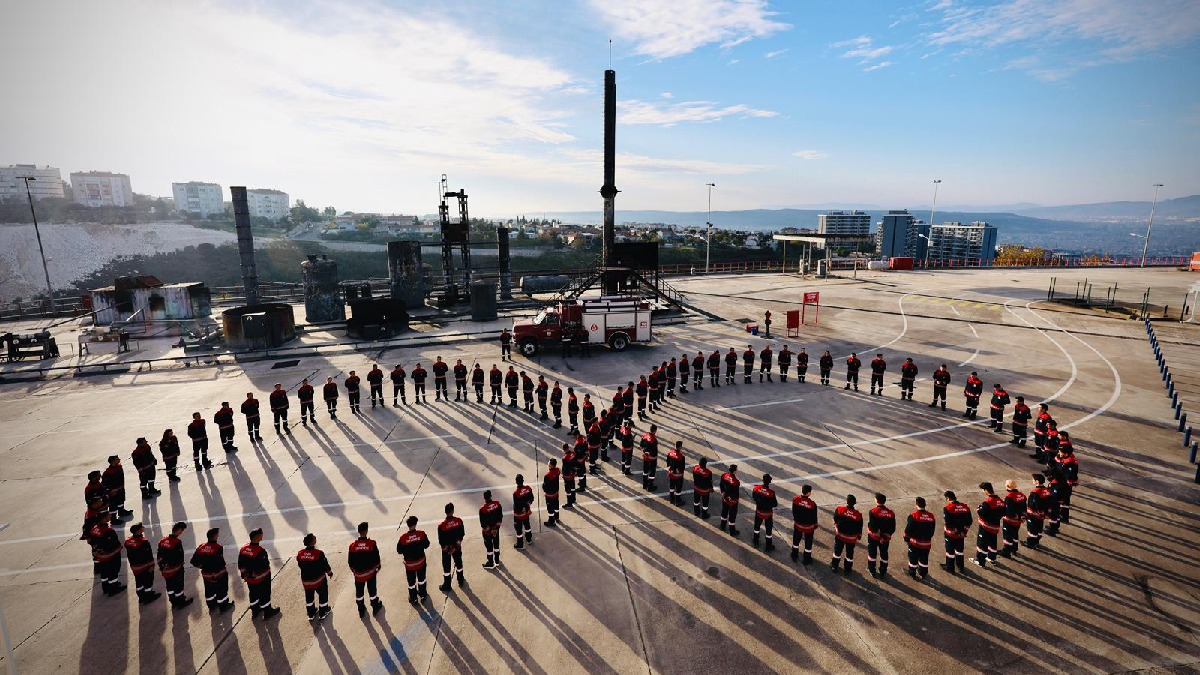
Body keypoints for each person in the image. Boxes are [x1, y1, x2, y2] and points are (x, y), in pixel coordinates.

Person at [238, 528, 280, 619]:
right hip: (261, 578)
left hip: (249, 579)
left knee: (253, 593)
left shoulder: (243, 549)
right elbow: (263, 566)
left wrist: (245, 575)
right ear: (257, 537)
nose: (262, 535)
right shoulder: (260, 551)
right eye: (261, 534)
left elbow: (240, 564)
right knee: (265, 594)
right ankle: (267, 612)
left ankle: (255, 611)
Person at [190, 527, 233, 612]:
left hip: (206, 575)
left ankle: (212, 605)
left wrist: (202, 567)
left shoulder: (201, 547)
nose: (218, 535)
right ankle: (223, 606)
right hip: (218, 574)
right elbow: (220, 563)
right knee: (222, 590)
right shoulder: (218, 547)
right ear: (214, 536)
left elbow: (193, 561)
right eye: (217, 534)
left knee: (209, 590)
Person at [348, 522, 383, 616]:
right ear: (366, 531)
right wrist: (378, 567)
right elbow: (376, 558)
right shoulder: (371, 543)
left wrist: (355, 571)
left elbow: (350, 562)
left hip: (358, 575)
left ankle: (361, 610)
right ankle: (375, 606)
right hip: (370, 573)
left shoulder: (352, 546)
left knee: (359, 592)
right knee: (372, 591)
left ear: (358, 532)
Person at [157, 521, 194, 608]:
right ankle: (180, 601)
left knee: (169, 586)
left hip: (165, 570)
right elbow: (179, 557)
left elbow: (159, 555)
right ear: (178, 530)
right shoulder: (177, 542)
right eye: (181, 530)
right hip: (175, 569)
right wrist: (180, 565)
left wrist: (162, 566)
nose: (181, 532)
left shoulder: (162, 541)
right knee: (178, 586)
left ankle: (173, 602)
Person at [297, 533, 333, 620]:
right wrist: (329, 572)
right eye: (314, 538)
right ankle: (323, 612)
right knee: (323, 594)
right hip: (319, 580)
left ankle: (311, 613)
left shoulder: (300, 554)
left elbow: (300, 565)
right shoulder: (319, 553)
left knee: (309, 596)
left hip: (306, 581)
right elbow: (324, 564)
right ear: (313, 542)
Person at [89, 512, 126, 596]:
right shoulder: (107, 531)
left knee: (104, 572)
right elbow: (112, 543)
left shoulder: (94, 529)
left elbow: (92, 541)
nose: (110, 516)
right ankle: (114, 587)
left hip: (101, 556)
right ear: (103, 519)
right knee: (114, 570)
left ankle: (106, 587)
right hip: (110, 555)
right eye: (108, 515)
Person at [397, 516, 431, 604]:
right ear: (415, 524)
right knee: (421, 579)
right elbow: (427, 545)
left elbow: (399, 551)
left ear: (408, 525)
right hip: (421, 562)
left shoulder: (403, 538)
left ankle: (413, 598)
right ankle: (423, 594)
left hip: (410, 565)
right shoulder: (421, 534)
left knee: (411, 582)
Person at [903, 497, 936, 580]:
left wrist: (906, 538)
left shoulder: (914, 516)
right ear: (925, 505)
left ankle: (912, 573)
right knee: (924, 559)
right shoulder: (931, 516)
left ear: (916, 505)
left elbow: (908, 530)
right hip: (926, 544)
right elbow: (932, 531)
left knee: (913, 559)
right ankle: (923, 573)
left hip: (915, 543)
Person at [974, 482, 1004, 568]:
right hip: (995, 527)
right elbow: (1003, 512)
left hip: (985, 527)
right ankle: (992, 558)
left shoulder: (988, 502)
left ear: (986, 490)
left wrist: (978, 509)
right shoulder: (1000, 501)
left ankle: (980, 561)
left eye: (983, 490)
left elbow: (981, 512)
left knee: (982, 544)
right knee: (992, 542)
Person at [831, 495, 863, 576]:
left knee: (837, 551)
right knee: (849, 553)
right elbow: (860, 527)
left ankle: (834, 566)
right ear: (854, 503)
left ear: (847, 502)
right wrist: (859, 535)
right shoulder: (858, 515)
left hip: (840, 536)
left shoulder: (839, 509)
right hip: (851, 539)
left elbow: (835, 519)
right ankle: (847, 569)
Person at [437, 503, 466, 591]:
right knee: (459, 563)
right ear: (453, 511)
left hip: (446, 549)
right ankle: (460, 580)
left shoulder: (441, 526)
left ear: (445, 512)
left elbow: (441, 540)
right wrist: (457, 544)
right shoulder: (459, 521)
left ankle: (447, 584)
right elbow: (462, 534)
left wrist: (446, 548)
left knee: (446, 567)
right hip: (456, 547)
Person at [866, 493, 896, 578]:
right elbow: (892, 528)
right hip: (885, 539)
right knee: (884, 553)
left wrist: (871, 529)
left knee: (872, 553)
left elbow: (872, 527)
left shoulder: (873, 512)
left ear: (876, 500)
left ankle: (872, 570)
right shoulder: (891, 513)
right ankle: (883, 571)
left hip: (874, 537)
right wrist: (885, 535)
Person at [941, 491, 971, 574]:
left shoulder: (948, 508)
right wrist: (963, 531)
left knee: (950, 551)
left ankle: (950, 567)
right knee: (959, 550)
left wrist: (955, 531)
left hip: (951, 534)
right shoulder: (965, 507)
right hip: (961, 535)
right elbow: (969, 521)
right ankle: (960, 567)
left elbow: (948, 522)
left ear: (948, 499)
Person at [791, 484, 819, 565]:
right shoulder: (813, 504)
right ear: (809, 493)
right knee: (808, 542)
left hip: (798, 525)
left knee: (796, 539)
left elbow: (794, 512)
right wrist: (815, 525)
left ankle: (794, 554)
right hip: (808, 527)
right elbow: (814, 517)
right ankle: (807, 558)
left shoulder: (795, 499)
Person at [1000, 479, 1027, 558]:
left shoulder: (1009, 497)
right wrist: (1022, 517)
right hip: (1018, 522)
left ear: (1008, 486)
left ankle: (1006, 552)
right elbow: (1024, 508)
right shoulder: (1022, 495)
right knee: (1015, 535)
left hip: (1009, 521)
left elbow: (1009, 512)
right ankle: (1014, 550)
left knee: (1008, 536)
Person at [752, 474, 779, 551]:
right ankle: (768, 545)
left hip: (759, 512)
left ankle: (756, 541)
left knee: (757, 527)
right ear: (769, 482)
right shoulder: (771, 493)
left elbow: (754, 497)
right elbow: (775, 504)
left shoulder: (756, 488)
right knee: (768, 530)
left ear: (763, 480)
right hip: (768, 514)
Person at [102, 455, 133, 521]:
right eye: (117, 459)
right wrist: (110, 491)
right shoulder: (107, 473)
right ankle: (113, 519)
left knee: (121, 501)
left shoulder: (119, 467)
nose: (119, 459)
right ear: (113, 461)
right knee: (113, 505)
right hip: (113, 492)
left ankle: (121, 511)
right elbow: (104, 485)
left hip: (120, 489)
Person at [1054, 444, 1079, 524]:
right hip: (1062, 483)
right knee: (1063, 500)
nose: (1059, 453)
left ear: (1066, 454)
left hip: (1065, 485)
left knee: (1064, 500)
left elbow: (1070, 475)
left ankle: (1063, 517)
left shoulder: (1070, 463)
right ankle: (1063, 515)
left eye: (1061, 452)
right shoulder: (1064, 458)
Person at [1025, 474, 1050, 549]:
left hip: (1033, 515)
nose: (1032, 481)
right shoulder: (1046, 490)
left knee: (1032, 529)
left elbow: (1035, 504)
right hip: (1042, 516)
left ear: (1037, 481)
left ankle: (1030, 544)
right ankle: (1036, 542)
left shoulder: (1035, 492)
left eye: (1033, 480)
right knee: (1039, 529)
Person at [479, 491, 503, 568]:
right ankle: (497, 560)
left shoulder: (482, 509)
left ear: (484, 497)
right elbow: (500, 517)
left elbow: (483, 523)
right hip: (496, 530)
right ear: (491, 496)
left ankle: (490, 562)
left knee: (489, 547)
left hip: (488, 532)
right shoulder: (497, 504)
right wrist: (496, 528)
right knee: (496, 544)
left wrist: (490, 530)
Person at [512, 475, 534, 549]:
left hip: (518, 515)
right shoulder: (528, 489)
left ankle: (520, 544)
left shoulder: (516, 493)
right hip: (526, 513)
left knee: (518, 529)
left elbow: (517, 505)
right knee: (527, 526)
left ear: (516, 482)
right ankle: (529, 539)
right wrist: (527, 506)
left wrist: (520, 510)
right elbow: (531, 498)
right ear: (523, 481)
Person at [719, 464, 742, 536]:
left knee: (724, 511)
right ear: (734, 471)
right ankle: (732, 531)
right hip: (732, 501)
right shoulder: (736, 482)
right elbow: (735, 493)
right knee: (732, 516)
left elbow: (721, 485)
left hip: (725, 498)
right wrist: (733, 499)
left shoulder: (724, 475)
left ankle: (722, 526)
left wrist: (723, 492)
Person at [666, 440, 686, 506]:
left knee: (671, 487)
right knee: (678, 488)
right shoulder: (681, 457)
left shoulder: (670, 453)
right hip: (678, 476)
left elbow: (668, 462)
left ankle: (671, 499)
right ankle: (677, 501)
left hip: (671, 474)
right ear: (680, 447)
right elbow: (682, 468)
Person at [640, 424, 660, 491]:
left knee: (645, 471)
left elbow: (641, 445)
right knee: (652, 472)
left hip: (645, 457)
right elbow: (654, 451)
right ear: (655, 431)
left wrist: (645, 451)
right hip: (652, 459)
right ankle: (650, 486)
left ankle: (644, 484)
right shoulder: (654, 440)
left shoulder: (644, 435)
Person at [543, 460, 562, 527]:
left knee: (550, 509)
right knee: (556, 505)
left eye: (549, 462)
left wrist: (544, 490)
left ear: (551, 465)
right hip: (556, 493)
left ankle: (551, 522)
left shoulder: (547, 475)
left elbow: (545, 486)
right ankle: (557, 518)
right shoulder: (557, 470)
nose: (548, 463)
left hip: (549, 495)